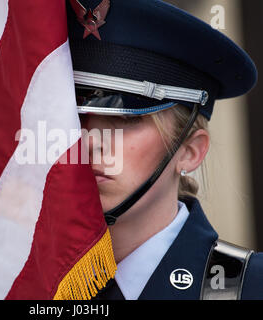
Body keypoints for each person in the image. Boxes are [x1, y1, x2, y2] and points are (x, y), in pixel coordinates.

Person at [66, 0, 263, 299]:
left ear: (190, 151)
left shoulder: (251, 288)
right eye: (71, 116)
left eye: (125, 118)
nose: (90, 140)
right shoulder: (7, 281)